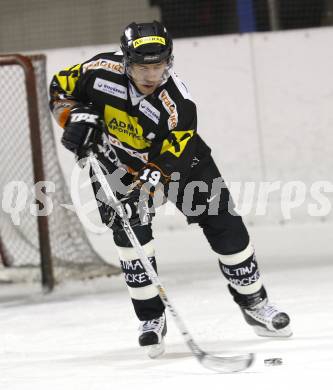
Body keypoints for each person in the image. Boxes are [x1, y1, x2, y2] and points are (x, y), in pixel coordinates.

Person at [49, 21, 292, 358]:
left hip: (181, 164)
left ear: (169, 62)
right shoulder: (97, 71)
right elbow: (60, 89)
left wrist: (147, 186)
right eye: (142, 67)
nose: (151, 75)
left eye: (158, 66)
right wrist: (74, 116)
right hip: (114, 162)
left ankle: (254, 300)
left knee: (226, 225)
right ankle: (151, 319)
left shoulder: (178, 103)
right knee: (131, 240)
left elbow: (172, 157)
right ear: (126, 62)